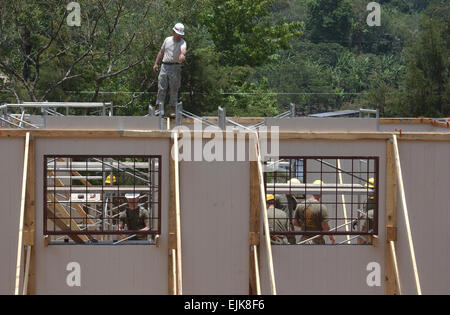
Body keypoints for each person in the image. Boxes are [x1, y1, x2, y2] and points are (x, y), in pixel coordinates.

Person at [153, 23, 187, 116]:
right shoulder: (167, 40)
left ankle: (172, 110)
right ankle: (158, 109)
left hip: (175, 67)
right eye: (178, 34)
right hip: (164, 66)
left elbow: (183, 49)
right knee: (161, 88)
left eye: (180, 34)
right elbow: (161, 52)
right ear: (173, 32)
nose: (179, 36)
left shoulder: (182, 42)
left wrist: (182, 55)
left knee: (174, 88)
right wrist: (156, 63)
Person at [293, 180, 335, 245]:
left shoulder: (300, 205)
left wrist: (305, 226)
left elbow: (295, 223)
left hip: (304, 240)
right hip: (317, 240)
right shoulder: (321, 207)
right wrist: (331, 238)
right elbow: (325, 226)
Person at [275, 178, 303, 244]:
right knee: (281, 244)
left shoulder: (293, 199)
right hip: (281, 226)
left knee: (292, 244)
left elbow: (296, 210)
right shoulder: (278, 197)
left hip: (290, 227)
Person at [359, 177, 375, 244]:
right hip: (368, 225)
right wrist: (357, 220)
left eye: (370, 189)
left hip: (373, 228)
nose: (368, 191)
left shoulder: (380, 201)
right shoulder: (367, 201)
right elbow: (362, 214)